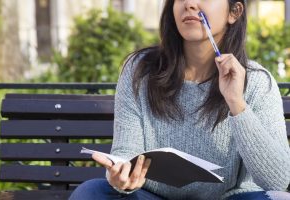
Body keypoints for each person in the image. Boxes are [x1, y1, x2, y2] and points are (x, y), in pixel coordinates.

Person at [69, 0, 290, 199]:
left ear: (234, 11)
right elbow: (127, 152)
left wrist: (236, 103)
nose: (190, 4)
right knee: (92, 192)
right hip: (151, 196)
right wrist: (122, 179)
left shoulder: (257, 82)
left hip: (227, 199)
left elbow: (277, 181)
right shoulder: (140, 71)